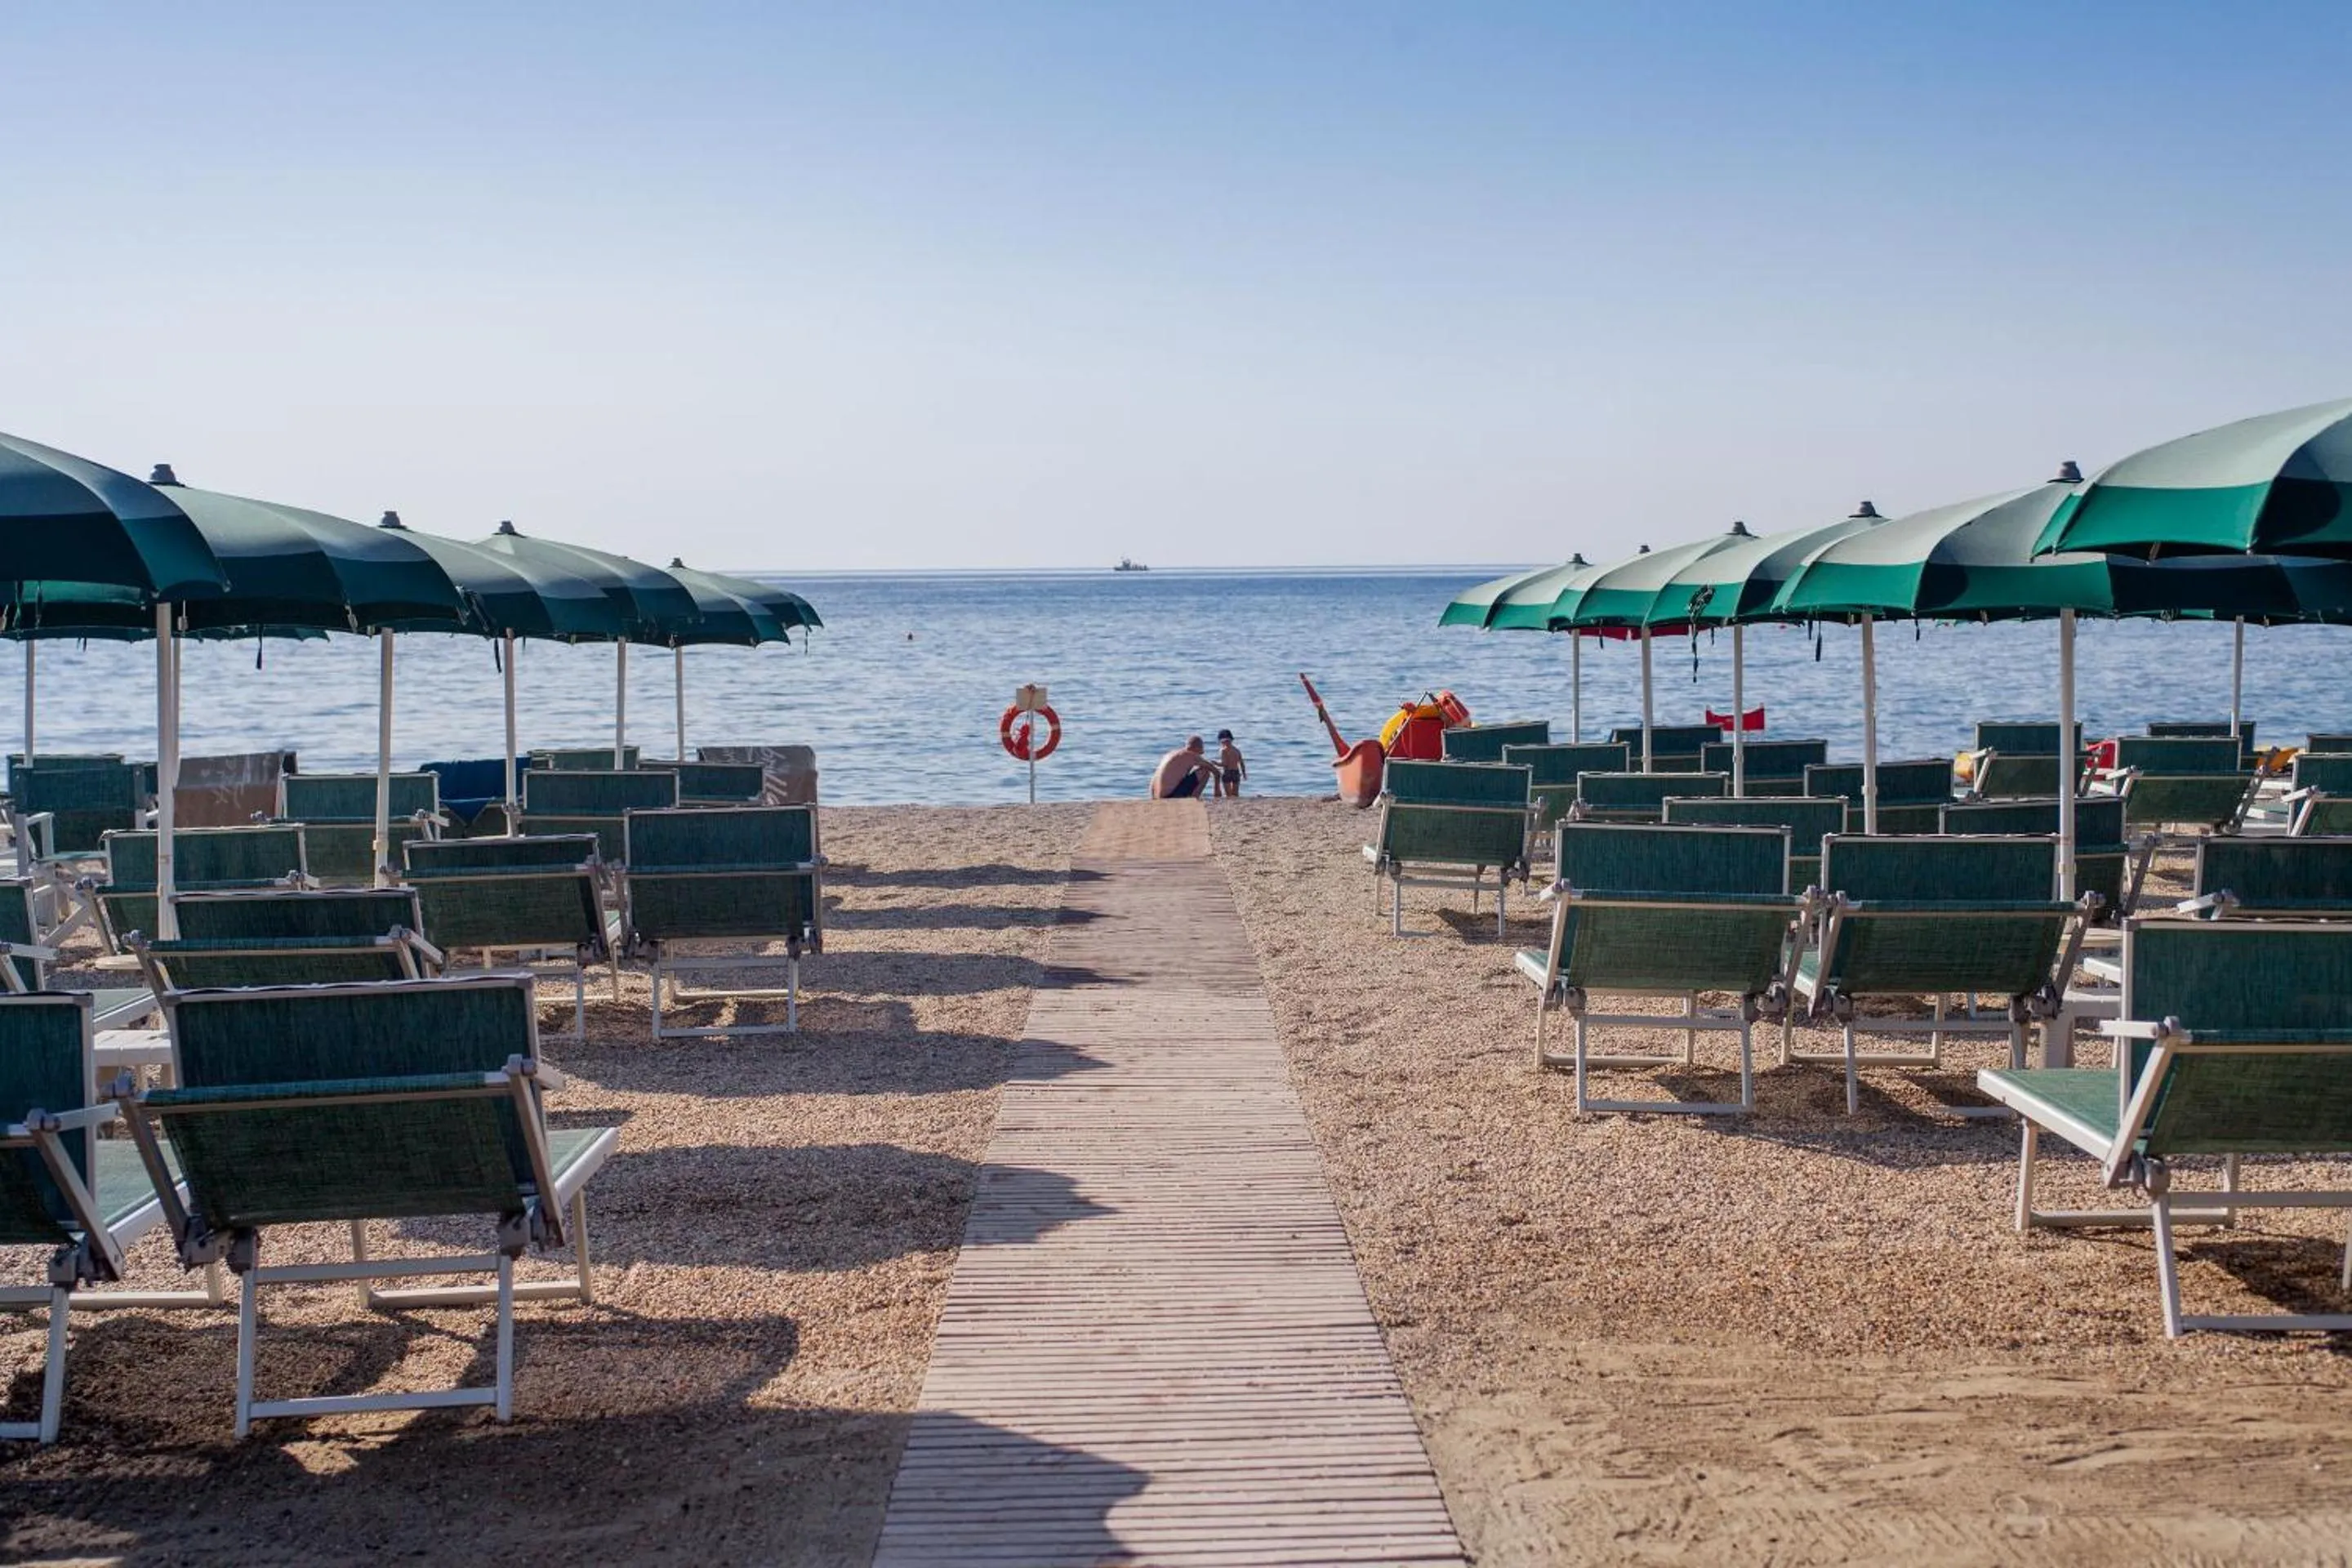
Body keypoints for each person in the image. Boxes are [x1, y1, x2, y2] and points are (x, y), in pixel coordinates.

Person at [1150, 736, 1217, 800]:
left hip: (1156, 796)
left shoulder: (1172, 754)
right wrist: (1218, 789)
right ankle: (1194, 799)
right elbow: (1215, 771)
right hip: (1170, 796)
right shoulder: (1191, 755)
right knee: (1205, 771)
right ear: (1198, 747)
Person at [1213, 728, 1246, 798]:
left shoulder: (1223, 751)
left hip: (1227, 772)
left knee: (1229, 795)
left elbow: (1224, 764)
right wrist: (1244, 773)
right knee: (1235, 794)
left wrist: (1215, 763)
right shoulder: (1237, 750)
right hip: (1236, 772)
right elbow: (1242, 763)